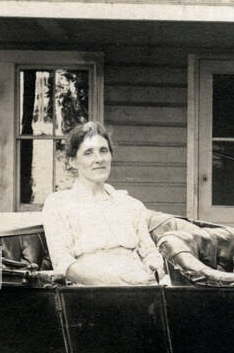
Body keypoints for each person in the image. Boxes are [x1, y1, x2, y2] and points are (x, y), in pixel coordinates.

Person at [42, 121, 166, 285]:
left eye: (103, 151)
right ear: (73, 161)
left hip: (140, 283)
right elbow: (63, 263)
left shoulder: (130, 204)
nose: (99, 159)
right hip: (93, 290)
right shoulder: (59, 204)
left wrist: (154, 266)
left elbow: (149, 251)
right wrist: (119, 284)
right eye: (88, 153)